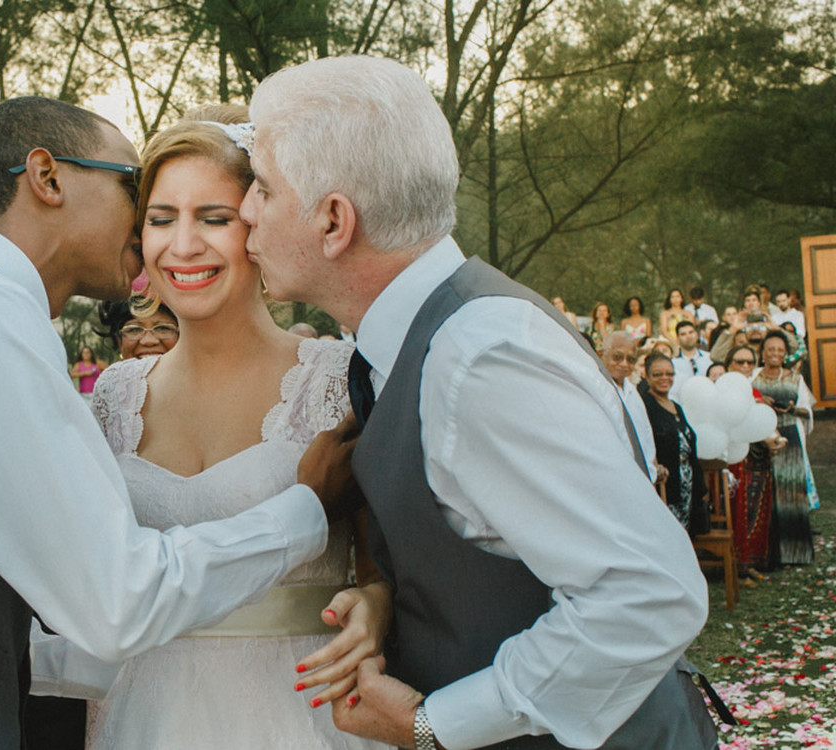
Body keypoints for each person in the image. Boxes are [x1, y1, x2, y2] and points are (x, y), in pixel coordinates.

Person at [0, 96, 361, 750]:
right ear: (48, 178)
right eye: (135, 191)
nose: (150, 229)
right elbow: (114, 601)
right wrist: (305, 510)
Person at [240, 55, 715, 750]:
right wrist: (388, 601)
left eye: (261, 188)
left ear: (334, 221)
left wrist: (433, 725)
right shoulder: (412, 342)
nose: (246, 210)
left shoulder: (480, 357)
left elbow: (648, 596)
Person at [82, 107, 390, 750]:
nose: (183, 245)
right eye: (161, 219)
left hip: (302, 714)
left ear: (257, 226)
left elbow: (390, 565)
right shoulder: (113, 396)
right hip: (146, 717)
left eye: (213, 219)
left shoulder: (339, 381)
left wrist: (381, 605)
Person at [752, 331, 817, 565]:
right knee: (766, 493)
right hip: (762, 440)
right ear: (763, 352)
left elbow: (807, 412)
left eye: (780, 350)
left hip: (789, 436)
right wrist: (760, 402)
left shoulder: (795, 378)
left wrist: (790, 409)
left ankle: (796, 553)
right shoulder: (753, 377)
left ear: (785, 354)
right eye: (771, 349)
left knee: (791, 494)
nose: (775, 354)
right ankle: (769, 555)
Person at [726, 346, 782, 574]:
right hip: (735, 460)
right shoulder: (725, 391)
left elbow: (766, 423)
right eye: (740, 362)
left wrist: (776, 439)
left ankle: (754, 560)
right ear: (730, 364)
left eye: (750, 362)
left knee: (757, 508)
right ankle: (738, 563)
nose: (746, 367)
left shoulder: (756, 393)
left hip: (758, 459)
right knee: (738, 510)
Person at [641, 353, 708, 535]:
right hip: (664, 486)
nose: (665, 378)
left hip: (686, 485)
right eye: (657, 374)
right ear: (646, 376)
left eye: (669, 374)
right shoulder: (644, 406)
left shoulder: (676, 406)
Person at [600, 332, 661, 484]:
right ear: (601, 355)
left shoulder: (632, 391)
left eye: (631, 359)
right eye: (617, 357)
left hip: (644, 479)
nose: (624, 364)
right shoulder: (598, 389)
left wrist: (652, 468)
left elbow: (646, 433)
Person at [95, 298, 179, 360]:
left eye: (162, 328)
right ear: (118, 340)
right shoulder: (109, 383)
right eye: (134, 330)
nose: (149, 341)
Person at [669, 320, 711, 401]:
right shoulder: (672, 364)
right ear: (677, 339)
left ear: (697, 335)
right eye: (683, 334)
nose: (688, 336)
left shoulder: (709, 358)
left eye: (691, 332)